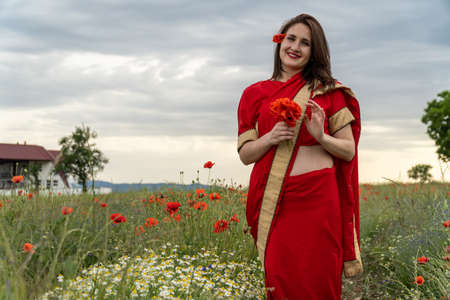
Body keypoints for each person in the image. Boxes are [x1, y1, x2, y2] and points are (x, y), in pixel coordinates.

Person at [237, 14, 363, 299]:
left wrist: (320, 136)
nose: (295, 47)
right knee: (280, 279)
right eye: (291, 38)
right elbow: (245, 155)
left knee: (320, 280)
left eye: (305, 43)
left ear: (314, 51)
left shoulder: (329, 92)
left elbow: (348, 150)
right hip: (278, 203)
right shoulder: (253, 94)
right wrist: (271, 137)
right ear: (280, 42)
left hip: (320, 200)